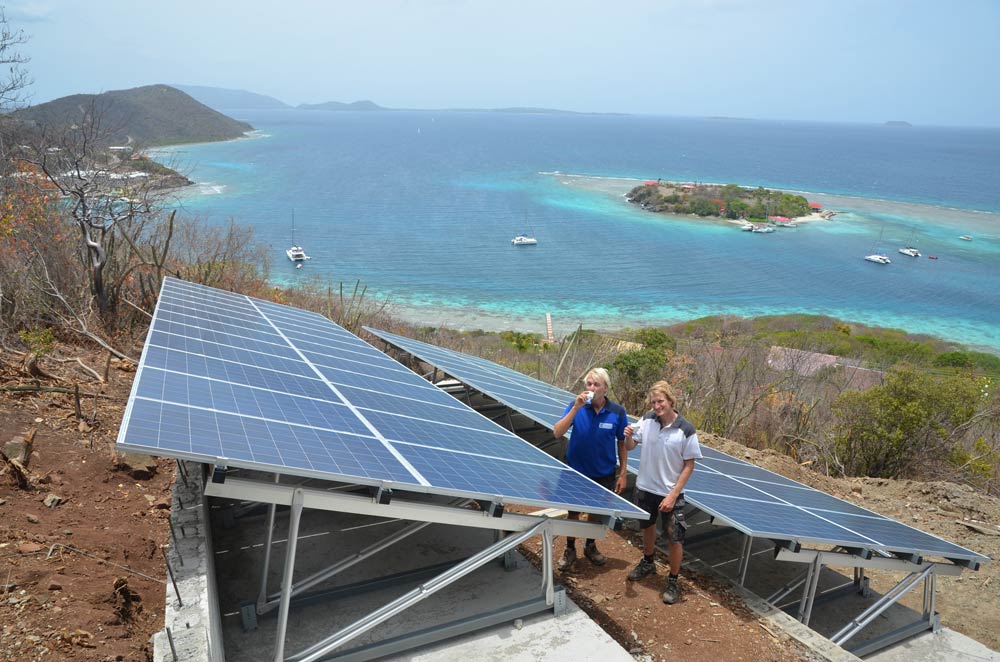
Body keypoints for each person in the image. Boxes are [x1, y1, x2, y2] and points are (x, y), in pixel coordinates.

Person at [623, 380, 702, 604]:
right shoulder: (647, 420)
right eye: (653, 402)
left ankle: (673, 580)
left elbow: (689, 465)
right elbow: (630, 446)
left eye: (660, 401)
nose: (656, 406)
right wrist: (628, 435)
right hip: (645, 487)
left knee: (675, 538)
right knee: (647, 527)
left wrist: (673, 494)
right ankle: (648, 562)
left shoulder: (686, 429)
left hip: (669, 492)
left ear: (670, 401)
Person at [552, 367, 628, 572]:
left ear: (605, 388)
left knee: (595, 513)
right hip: (575, 471)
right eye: (589, 384)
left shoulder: (617, 413)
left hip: (603, 472)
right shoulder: (575, 406)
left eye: (596, 384)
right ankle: (569, 549)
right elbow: (557, 432)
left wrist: (623, 473)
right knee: (573, 512)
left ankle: (590, 545)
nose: (591, 388)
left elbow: (622, 443)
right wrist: (576, 408)